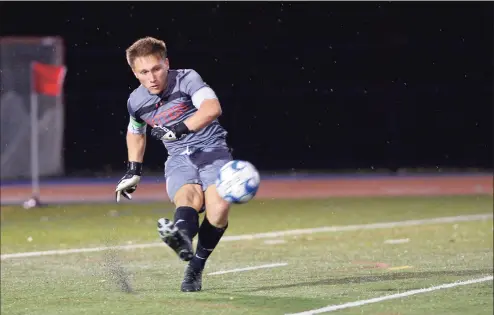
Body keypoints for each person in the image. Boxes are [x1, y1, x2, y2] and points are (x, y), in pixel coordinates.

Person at [114, 36, 232, 292]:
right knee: (188, 199)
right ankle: (181, 239)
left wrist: (179, 129)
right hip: (179, 158)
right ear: (135, 73)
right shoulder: (136, 102)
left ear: (167, 63)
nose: (152, 77)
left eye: (156, 68)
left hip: (213, 150)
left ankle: (195, 267)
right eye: (144, 72)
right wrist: (134, 170)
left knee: (219, 208)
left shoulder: (188, 79)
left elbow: (212, 108)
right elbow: (135, 132)